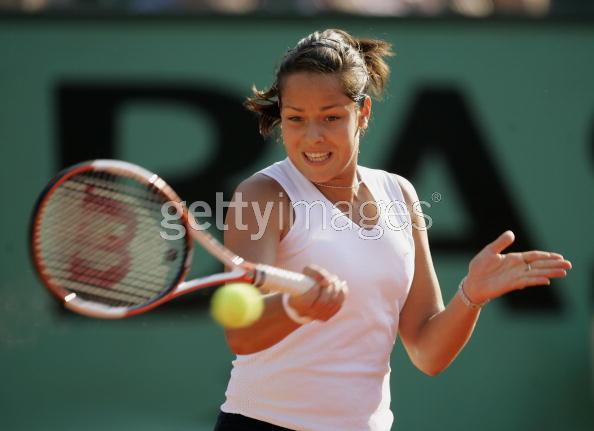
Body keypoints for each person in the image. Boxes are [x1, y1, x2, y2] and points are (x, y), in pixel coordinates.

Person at [213, 29, 571, 431]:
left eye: (331, 117)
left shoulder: (399, 193)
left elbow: (428, 352)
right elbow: (241, 335)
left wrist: (471, 295)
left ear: (362, 112)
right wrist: (300, 306)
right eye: (296, 119)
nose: (312, 136)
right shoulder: (262, 195)